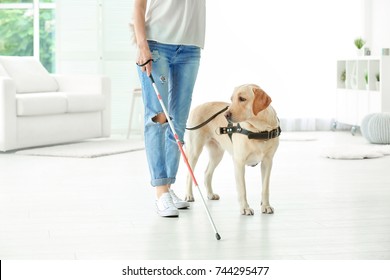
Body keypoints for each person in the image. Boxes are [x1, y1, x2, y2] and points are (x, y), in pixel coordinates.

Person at [132, 0, 206, 217]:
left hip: (190, 47)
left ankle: (168, 185)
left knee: (178, 122)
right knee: (158, 119)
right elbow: (138, 7)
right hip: (157, 45)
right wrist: (142, 45)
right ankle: (160, 190)